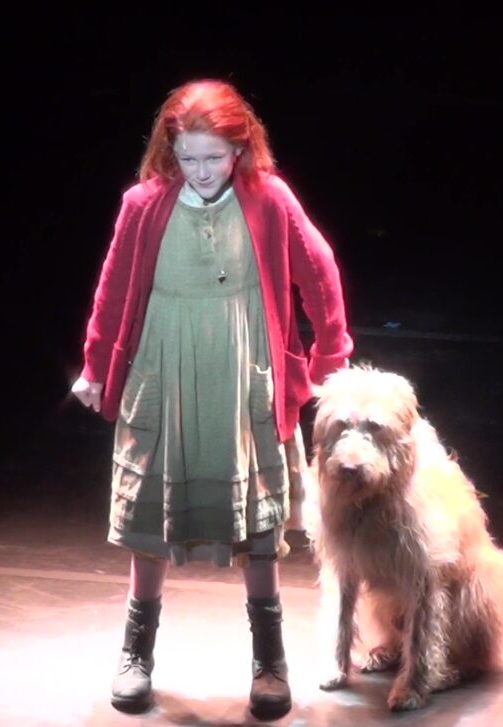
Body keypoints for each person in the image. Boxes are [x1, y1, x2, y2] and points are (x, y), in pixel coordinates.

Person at [71, 78, 353, 719]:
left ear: (240, 149)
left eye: (214, 157)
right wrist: (95, 364)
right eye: (187, 157)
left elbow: (319, 271)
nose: (200, 170)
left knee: (258, 521)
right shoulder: (143, 204)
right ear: (169, 150)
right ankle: (136, 652)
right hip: (162, 369)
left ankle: (270, 660)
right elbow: (113, 290)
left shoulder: (270, 198)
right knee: (152, 513)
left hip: (243, 370)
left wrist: (330, 356)